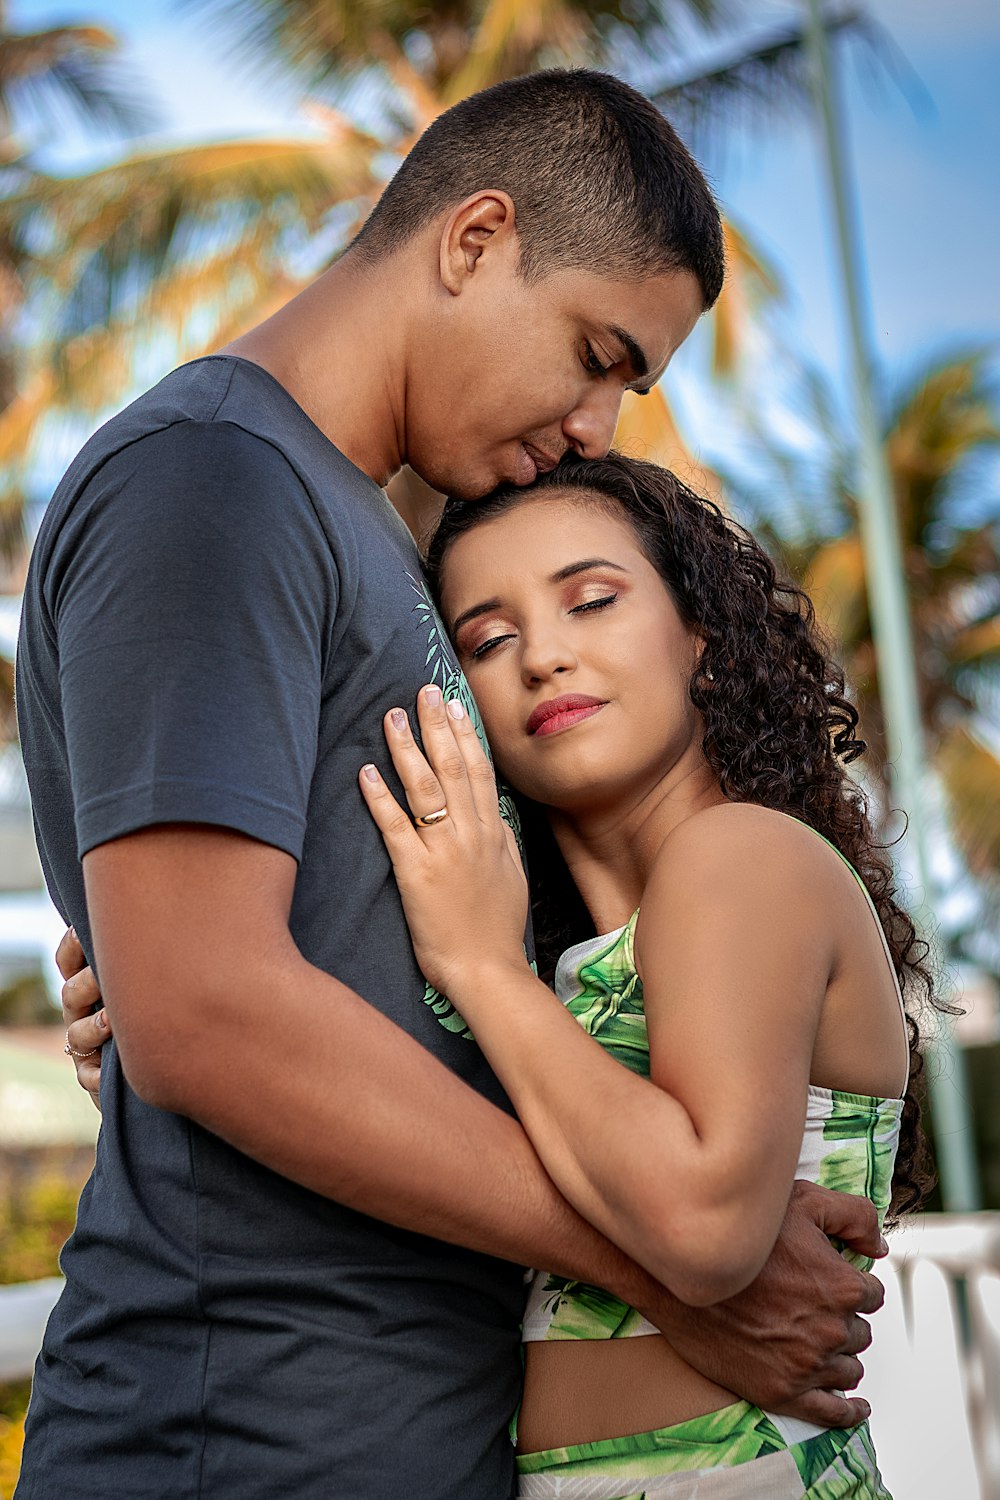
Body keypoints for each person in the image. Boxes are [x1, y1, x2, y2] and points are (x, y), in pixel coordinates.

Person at [21, 70, 882, 1500]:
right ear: (474, 240)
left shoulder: (367, 537)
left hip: (416, 1431)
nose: (603, 423)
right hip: (241, 1439)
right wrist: (671, 1265)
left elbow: (249, 981)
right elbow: (209, 1011)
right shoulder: (213, 480)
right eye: (600, 352)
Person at [349, 451, 934, 1496]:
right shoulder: (567, 965)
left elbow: (706, 1228)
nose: (543, 657)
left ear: (698, 635)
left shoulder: (738, 858)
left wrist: (481, 970)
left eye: (592, 601)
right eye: (489, 639)